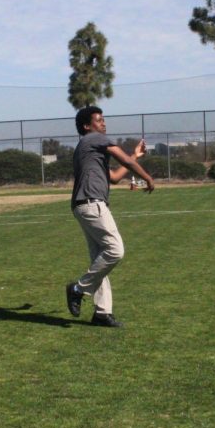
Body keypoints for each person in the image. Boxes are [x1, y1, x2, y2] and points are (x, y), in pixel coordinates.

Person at [64, 106, 155, 327]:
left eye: (104, 120)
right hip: (91, 203)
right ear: (88, 126)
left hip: (83, 205)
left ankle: (102, 313)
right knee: (115, 250)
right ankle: (78, 288)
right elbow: (126, 163)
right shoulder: (93, 139)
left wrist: (135, 154)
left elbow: (114, 177)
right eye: (99, 120)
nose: (103, 124)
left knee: (100, 259)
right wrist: (147, 177)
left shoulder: (89, 150)